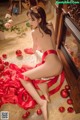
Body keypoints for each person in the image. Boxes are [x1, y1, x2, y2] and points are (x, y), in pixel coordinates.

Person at [19, 6, 63, 120]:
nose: (30, 22)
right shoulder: (50, 26)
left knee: (23, 77)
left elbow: (34, 50)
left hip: (51, 67)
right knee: (39, 64)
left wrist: (34, 50)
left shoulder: (34, 33)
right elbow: (54, 46)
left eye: (32, 20)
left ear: (39, 20)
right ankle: (45, 91)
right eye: (29, 19)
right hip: (58, 64)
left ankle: (41, 102)